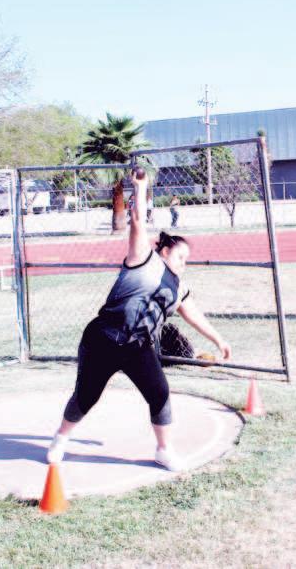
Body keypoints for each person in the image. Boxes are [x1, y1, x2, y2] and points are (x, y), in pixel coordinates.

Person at [46, 169, 231, 472]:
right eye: (181, 257)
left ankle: (164, 450)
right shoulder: (142, 258)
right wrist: (141, 187)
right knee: (87, 396)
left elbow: (192, 313)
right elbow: (136, 221)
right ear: (165, 250)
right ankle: (60, 438)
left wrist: (218, 339)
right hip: (103, 338)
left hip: (138, 346)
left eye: (187, 260)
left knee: (159, 393)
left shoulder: (178, 288)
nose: (185, 264)